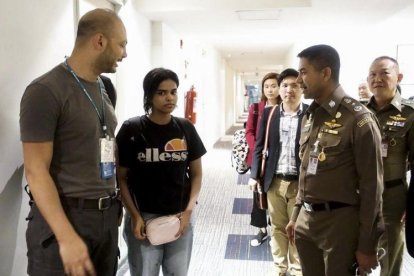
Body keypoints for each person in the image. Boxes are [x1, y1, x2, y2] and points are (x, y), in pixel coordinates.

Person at [19, 8, 127, 276]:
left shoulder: (105, 88)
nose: (125, 54)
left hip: (104, 218)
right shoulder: (45, 91)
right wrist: (66, 237)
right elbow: (35, 170)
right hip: (65, 218)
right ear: (99, 41)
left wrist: (116, 202)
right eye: (122, 44)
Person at [285, 44, 384, 276]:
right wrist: (296, 213)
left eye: (303, 72)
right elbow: (306, 170)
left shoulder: (359, 119)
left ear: (325, 73)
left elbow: (372, 188)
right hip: (306, 222)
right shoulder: (310, 115)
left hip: (340, 225)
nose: (299, 79)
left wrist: (367, 244)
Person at [116, 68, 207, 276]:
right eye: (161, 92)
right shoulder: (133, 129)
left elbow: (196, 175)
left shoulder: (185, 128)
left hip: (180, 216)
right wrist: (134, 215)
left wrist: (188, 212)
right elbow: (121, 178)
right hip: (144, 217)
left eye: (173, 92)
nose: (169, 97)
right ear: (149, 95)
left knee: (177, 272)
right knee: (144, 272)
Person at [249, 68, 307, 275]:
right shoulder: (269, 113)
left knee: (298, 230)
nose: (289, 89)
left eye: (295, 85)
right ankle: (280, 268)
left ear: (302, 88)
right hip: (274, 180)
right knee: (278, 228)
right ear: (279, 89)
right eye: (285, 85)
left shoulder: (311, 114)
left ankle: (297, 268)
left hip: (301, 183)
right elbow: (258, 145)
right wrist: (254, 175)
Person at [366, 56, 414, 276]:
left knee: (391, 258)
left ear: (399, 77)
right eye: (373, 74)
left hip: (393, 196)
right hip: (359, 195)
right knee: (355, 253)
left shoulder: (409, 114)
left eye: (384, 73)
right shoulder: (359, 112)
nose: (377, 79)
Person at [245, 72, 280, 246]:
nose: (270, 90)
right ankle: (261, 230)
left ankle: (277, 228)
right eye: (266, 86)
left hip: (277, 160)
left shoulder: (284, 108)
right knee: (258, 195)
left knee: (274, 194)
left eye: (274, 86)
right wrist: (258, 149)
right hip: (259, 159)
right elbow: (249, 131)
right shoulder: (257, 107)